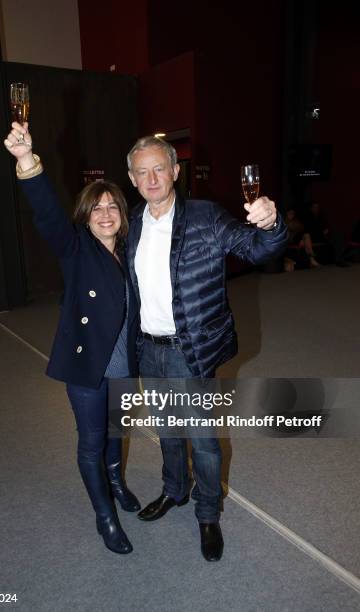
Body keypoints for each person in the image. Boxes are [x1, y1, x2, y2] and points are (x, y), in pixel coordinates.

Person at [125, 136, 288, 561]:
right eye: (142, 171)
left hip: (189, 350)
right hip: (148, 349)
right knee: (167, 430)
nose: (152, 178)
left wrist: (270, 224)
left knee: (203, 440)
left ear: (176, 171)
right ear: (132, 178)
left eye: (159, 168)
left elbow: (257, 248)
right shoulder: (132, 223)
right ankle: (175, 491)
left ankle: (208, 512)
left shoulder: (205, 217)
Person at [4, 122, 140, 555]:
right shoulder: (75, 246)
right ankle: (105, 518)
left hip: (125, 365)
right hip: (87, 367)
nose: (105, 214)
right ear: (85, 215)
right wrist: (28, 162)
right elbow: (46, 212)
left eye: (112, 207)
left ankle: (116, 480)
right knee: (91, 442)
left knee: (118, 431)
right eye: (96, 208)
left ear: (122, 214)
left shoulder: (134, 248)